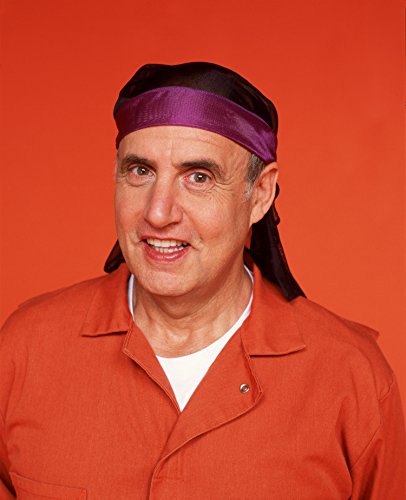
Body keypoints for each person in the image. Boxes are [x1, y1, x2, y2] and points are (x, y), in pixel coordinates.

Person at [0, 62, 404, 499]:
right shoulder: (24, 350)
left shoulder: (350, 377)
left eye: (199, 177)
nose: (158, 212)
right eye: (140, 171)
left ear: (260, 194)